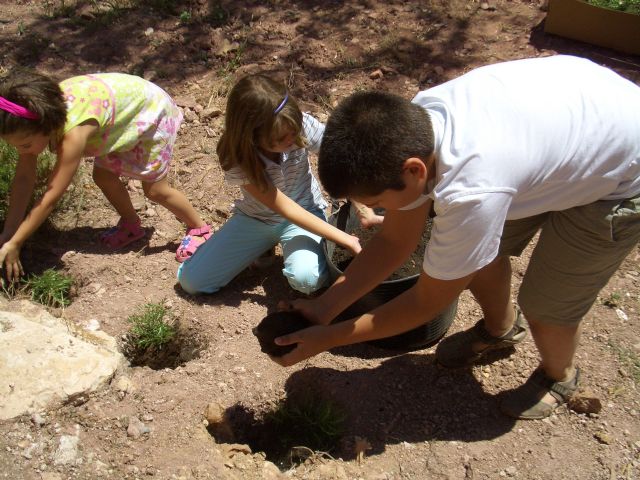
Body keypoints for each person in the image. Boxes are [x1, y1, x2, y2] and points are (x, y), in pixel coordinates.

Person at [270, 55, 640, 420]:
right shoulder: (416, 126)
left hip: (622, 172)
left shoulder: (471, 191)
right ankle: (501, 331)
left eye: (378, 202)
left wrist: (330, 337)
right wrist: (325, 308)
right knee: (476, 255)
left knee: (548, 306)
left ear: (414, 170)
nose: (377, 210)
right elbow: (394, 242)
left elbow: (426, 302)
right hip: (565, 133)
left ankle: (559, 376)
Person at [177, 74, 380, 295]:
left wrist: (362, 207)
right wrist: (347, 239)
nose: (291, 140)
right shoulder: (236, 157)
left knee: (306, 279)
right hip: (257, 218)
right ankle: (263, 247)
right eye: (281, 139)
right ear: (251, 135)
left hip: (306, 211)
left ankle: (265, 249)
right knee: (192, 282)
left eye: (294, 133)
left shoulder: (297, 125)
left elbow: (341, 161)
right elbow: (283, 207)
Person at [0, 69, 212, 279]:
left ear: (46, 126)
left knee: (155, 190)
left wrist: (17, 242)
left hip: (150, 111)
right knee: (103, 177)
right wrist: (8, 236)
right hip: (118, 118)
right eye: (16, 146)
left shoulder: (73, 135)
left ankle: (199, 229)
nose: (22, 152)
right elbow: (24, 180)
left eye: (26, 145)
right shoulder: (37, 117)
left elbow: (51, 196)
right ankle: (131, 225)